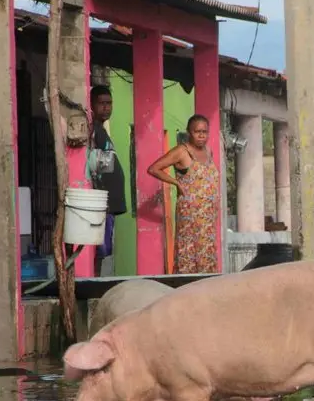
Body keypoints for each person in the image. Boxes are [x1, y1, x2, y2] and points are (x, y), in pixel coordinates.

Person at [145, 114, 218, 274]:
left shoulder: (208, 151)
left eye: (204, 132)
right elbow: (153, 168)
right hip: (190, 216)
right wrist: (176, 182)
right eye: (197, 132)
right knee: (189, 254)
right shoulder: (182, 151)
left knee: (207, 257)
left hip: (208, 218)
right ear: (189, 132)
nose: (201, 136)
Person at [88, 85, 128, 277]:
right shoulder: (92, 130)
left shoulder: (101, 130)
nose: (106, 107)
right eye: (102, 103)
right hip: (102, 203)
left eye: (109, 103)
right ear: (92, 105)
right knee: (100, 248)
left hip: (109, 203)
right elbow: (95, 168)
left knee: (105, 248)